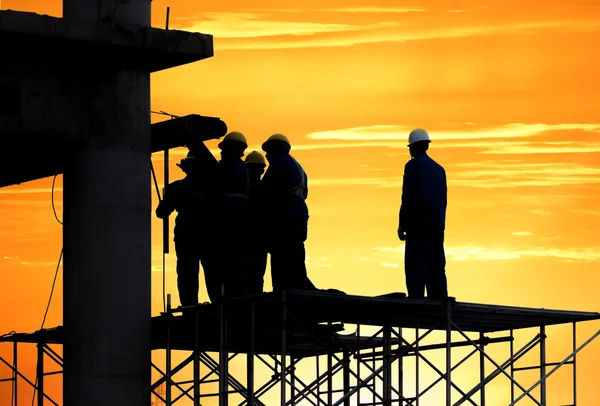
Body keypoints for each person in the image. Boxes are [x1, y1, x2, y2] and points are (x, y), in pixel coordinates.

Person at [155, 151, 220, 305]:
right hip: (208, 237)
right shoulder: (214, 187)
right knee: (213, 275)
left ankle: (189, 309)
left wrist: (167, 199)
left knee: (187, 276)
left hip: (187, 239)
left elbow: (161, 213)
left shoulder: (177, 188)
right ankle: (218, 305)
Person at [261, 133, 317, 293]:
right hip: (299, 215)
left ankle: (283, 291)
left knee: (281, 256)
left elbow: (267, 190)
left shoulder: (279, 163)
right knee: (296, 255)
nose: (266, 155)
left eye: (268, 151)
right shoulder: (296, 166)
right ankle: (300, 287)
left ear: (276, 149)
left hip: (285, 217)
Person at [398, 128, 448, 300]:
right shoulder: (440, 170)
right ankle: (439, 297)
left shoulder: (412, 166)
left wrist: (402, 224)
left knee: (416, 266)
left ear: (412, 147)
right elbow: (443, 200)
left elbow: (408, 197)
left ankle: (416, 300)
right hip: (437, 228)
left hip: (418, 228)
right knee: (436, 266)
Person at [215, 131, 250, 299]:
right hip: (241, 220)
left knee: (225, 263)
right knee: (239, 262)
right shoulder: (245, 169)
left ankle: (227, 297)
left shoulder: (226, 167)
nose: (221, 153)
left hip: (227, 219)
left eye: (223, 149)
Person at [244, 151, 268, 295]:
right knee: (258, 274)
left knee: (246, 273)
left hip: (247, 237)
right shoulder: (267, 188)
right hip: (260, 238)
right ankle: (255, 298)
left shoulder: (241, 189)